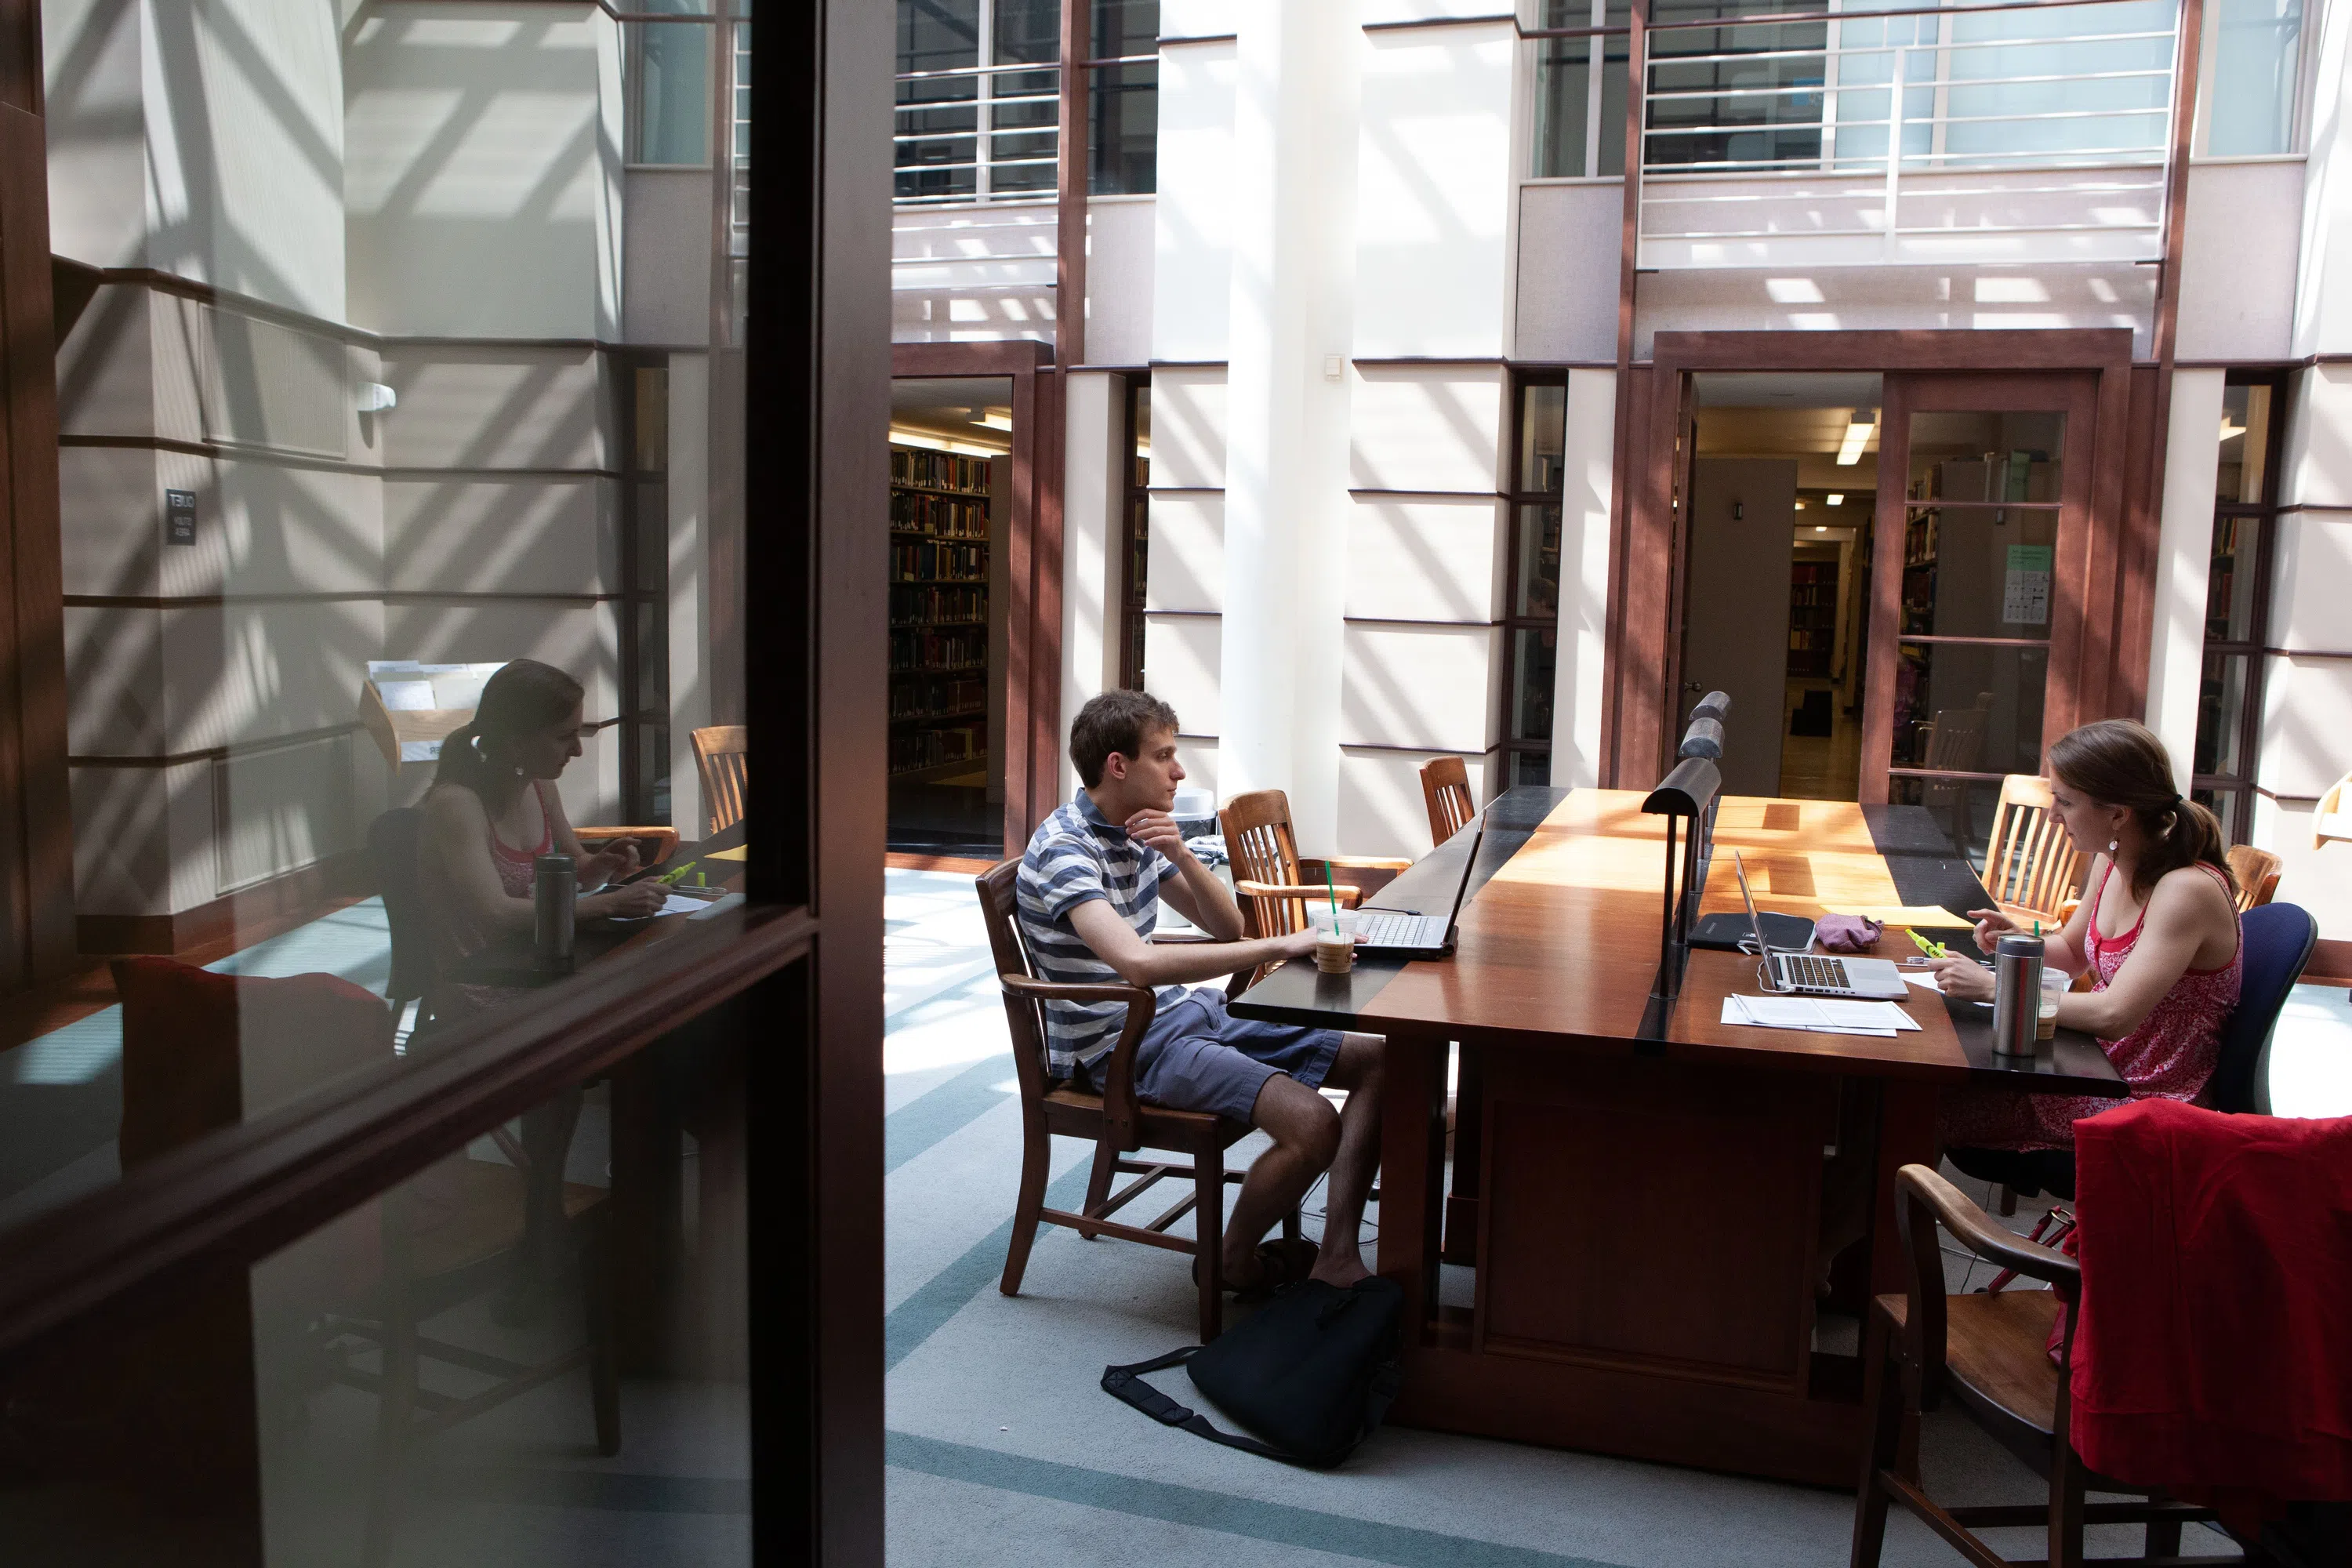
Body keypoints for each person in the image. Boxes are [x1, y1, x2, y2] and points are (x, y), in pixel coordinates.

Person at [1019, 690, 1384, 1295]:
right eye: (1164, 756)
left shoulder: (1132, 830)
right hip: (1122, 1051)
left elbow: (1227, 926)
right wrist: (1281, 947)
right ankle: (1230, 1263)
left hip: (1181, 1015)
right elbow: (1136, 964)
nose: (1180, 770)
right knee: (1314, 1124)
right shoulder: (1066, 851)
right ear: (1118, 766)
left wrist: (1182, 853)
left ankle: (1337, 1252)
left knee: (1378, 1055)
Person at [1935, 718, 2242, 1154]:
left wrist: (1995, 987)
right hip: (2095, 1069)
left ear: (2118, 814)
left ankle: (1894, 1219)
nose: (2052, 814)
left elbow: (2117, 1015)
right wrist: (2019, 940)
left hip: (2142, 1105)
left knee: (1929, 1098)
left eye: (2065, 802)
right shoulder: (2113, 858)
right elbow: (2072, 952)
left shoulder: (2186, 890)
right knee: (1925, 1084)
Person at [417, 659, 665, 1023]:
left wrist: (602, 863)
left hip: (539, 967)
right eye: (565, 737)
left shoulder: (540, 784)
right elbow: (496, 914)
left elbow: (578, 873)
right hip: (484, 992)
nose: (578, 750)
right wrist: (611, 904)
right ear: (517, 743)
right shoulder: (457, 805)